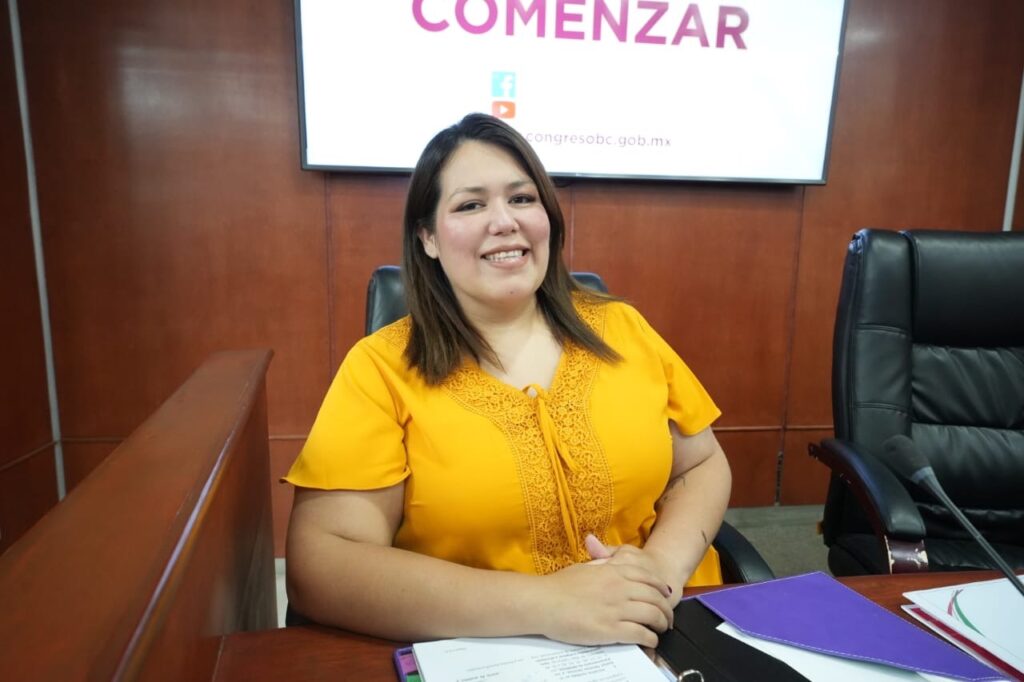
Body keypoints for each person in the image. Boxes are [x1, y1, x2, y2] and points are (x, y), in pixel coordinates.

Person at [283, 113, 731, 648]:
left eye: (522, 198)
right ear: (427, 237)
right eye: (470, 205)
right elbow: (323, 564)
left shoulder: (622, 329)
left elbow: (701, 463)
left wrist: (659, 571)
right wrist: (547, 603)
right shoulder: (380, 369)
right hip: (493, 648)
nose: (504, 222)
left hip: (665, 630)